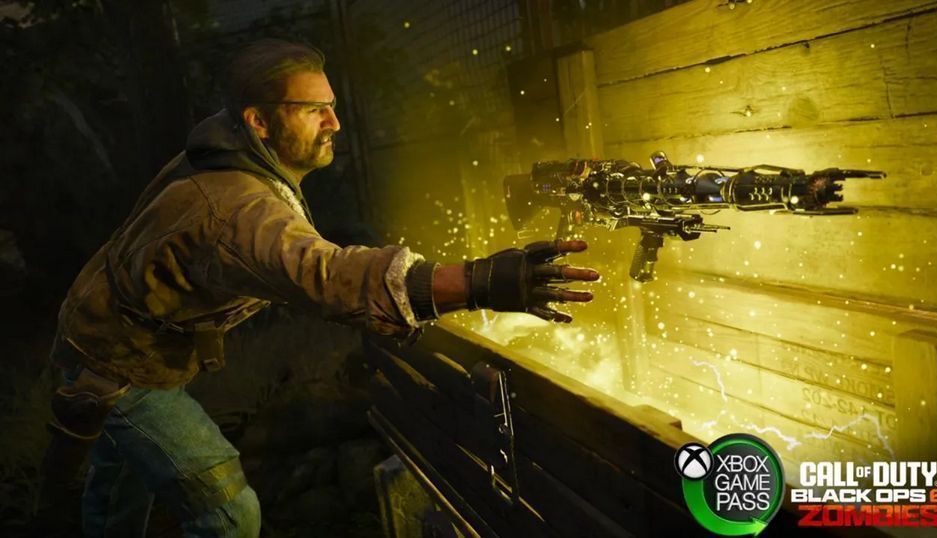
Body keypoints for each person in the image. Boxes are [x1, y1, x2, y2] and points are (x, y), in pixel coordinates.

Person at [38, 38, 599, 537]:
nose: (334, 123)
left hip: (114, 340)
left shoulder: (229, 146)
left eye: (331, 105)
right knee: (230, 515)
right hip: (119, 365)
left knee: (117, 493)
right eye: (313, 110)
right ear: (259, 121)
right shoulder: (236, 206)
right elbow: (324, 277)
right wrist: (481, 282)